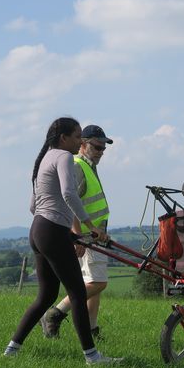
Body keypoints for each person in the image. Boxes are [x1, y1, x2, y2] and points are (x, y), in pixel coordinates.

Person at [3, 117, 122, 365]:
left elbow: (33, 205)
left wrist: (63, 230)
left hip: (39, 229)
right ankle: (92, 357)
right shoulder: (64, 157)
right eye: (77, 136)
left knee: (46, 296)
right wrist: (90, 227)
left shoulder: (45, 157)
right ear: (64, 138)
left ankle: (11, 350)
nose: (80, 141)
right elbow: (69, 193)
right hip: (52, 232)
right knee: (78, 293)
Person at [40, 125, 113, 340]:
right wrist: (78, 236)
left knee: (94, 282)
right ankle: (55, 313)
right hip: (87, 236)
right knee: (99, 283)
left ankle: (91, 329)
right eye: (97, 146)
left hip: (95, 235)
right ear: (83, 144)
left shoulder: (87, 166)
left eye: (103, 148)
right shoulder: (78, 166)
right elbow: (70, 202)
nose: (100, 151)